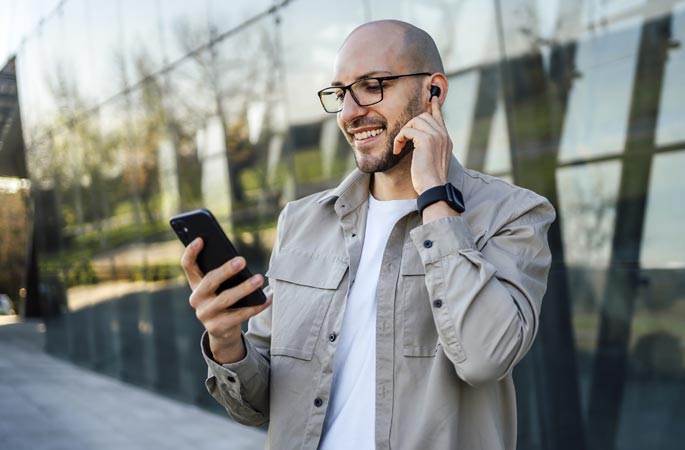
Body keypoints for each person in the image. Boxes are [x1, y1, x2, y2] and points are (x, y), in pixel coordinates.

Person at [181, 19, 555, 450]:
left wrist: (436, 197)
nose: (350, 112)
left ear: (434, 92)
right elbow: (258, 404)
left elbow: (486, 358)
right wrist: (227, 341)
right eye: (341, 93)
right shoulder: (301, 222)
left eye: (373, 85)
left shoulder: (514, 214)